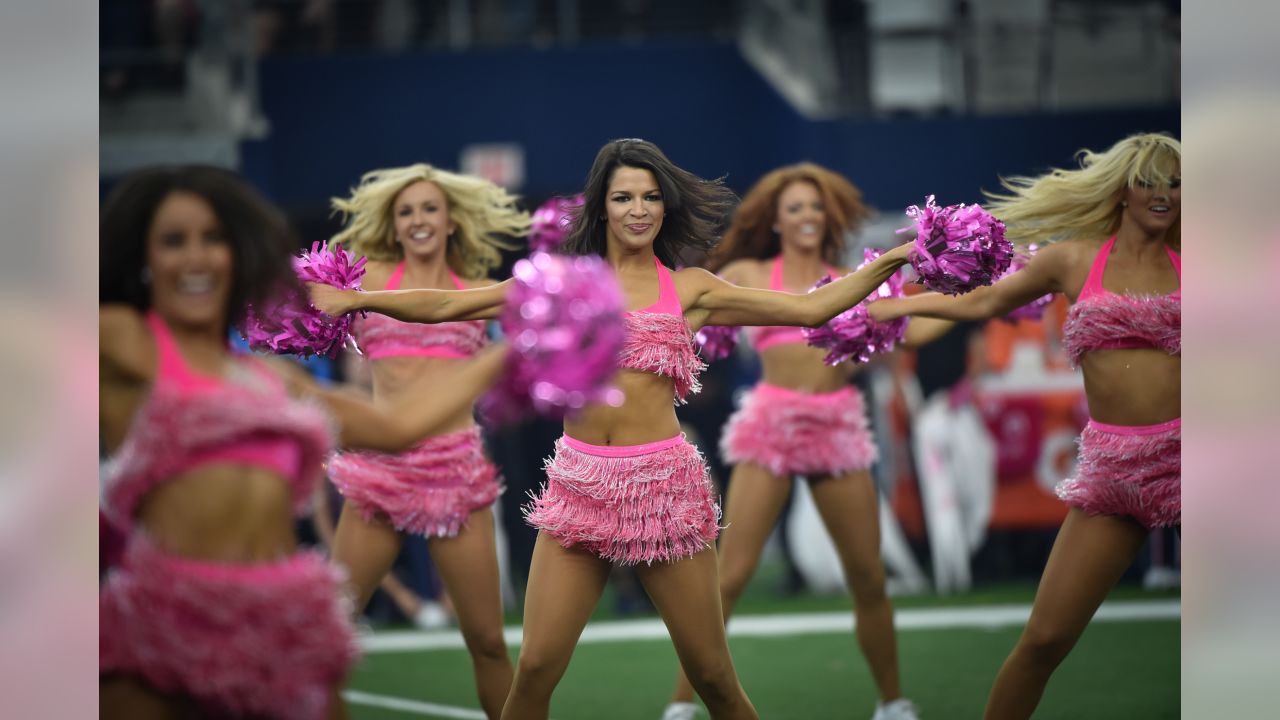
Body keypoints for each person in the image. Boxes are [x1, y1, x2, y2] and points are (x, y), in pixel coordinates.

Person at [310, 138, 914, 720]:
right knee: (538, 666)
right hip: (579, 487)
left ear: (664, 206)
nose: (639, 210)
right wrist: (352, 299)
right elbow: (447, 306)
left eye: (650, 197)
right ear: (602, 205)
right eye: (624, 197)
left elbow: (811, 308)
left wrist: (889, 260)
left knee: (713, 678)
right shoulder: (567, 282)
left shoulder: (692, 287)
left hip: (662, 491)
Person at [99, 165, 507, 719]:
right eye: (173, 242)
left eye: (213, 240)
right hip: (164, 622)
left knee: (485, 640)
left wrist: (512, 351)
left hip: (288, 605)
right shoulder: (126, 342)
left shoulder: (272, 381)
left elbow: (399, 420)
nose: (196, 257)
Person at [869, 133, 1181, 720]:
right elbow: (983, 303)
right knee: (1043, 640)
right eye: (1148, 181)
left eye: (1175, 182)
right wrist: (896, 305)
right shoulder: (1074, 259)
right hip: (1114, 470)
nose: (1163, 193)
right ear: (1122, 190)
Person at [663, 162, 921, 720]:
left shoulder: (851, 275)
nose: (807, 216)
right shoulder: (750, 273)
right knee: (729, 574)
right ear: (776, 221)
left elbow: (908, 326)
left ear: (828, 216)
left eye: (814, 206)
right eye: (795, 208)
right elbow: (682, 312)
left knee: (868, 576)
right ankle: (682, 706)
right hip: (772, 425)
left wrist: (969, 289)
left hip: (835, 424)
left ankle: (893, 701)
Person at [323, 163, 529, 717]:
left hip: (455, 471)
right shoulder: (363, 284)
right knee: (326, 641)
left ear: (451, 222)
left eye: (429, 209)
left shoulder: (483, 292)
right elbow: (294, 299)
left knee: (486, 641)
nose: (418, 219)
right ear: (393, 226)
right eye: (406, 211)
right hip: (380, 469)